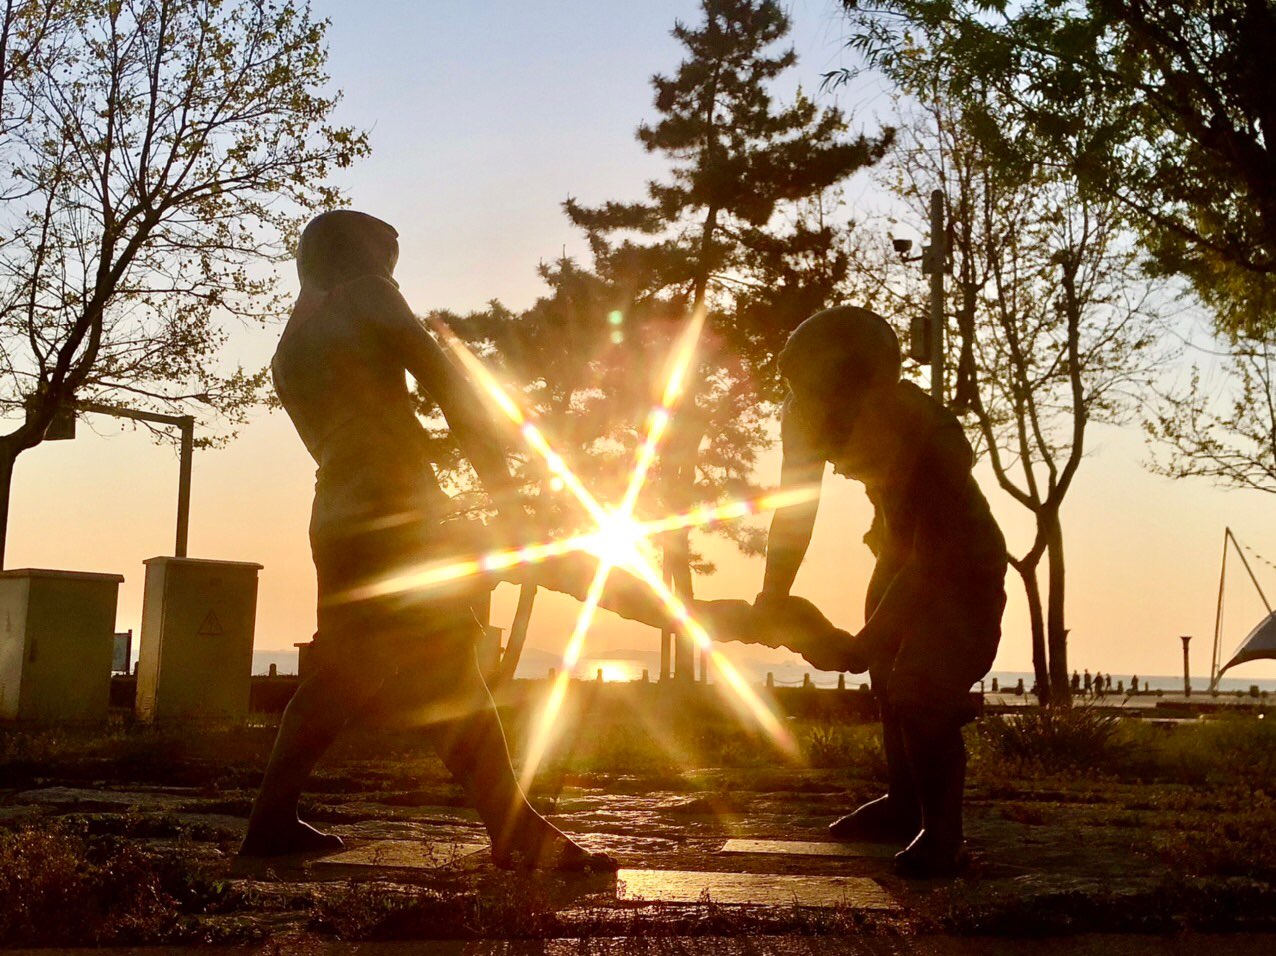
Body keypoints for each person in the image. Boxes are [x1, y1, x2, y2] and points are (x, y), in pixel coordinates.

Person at [240, 210, 613, 870]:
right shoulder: (366, 293)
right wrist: (507, 500)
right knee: (446, 665)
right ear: (357, 252)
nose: (393, 270)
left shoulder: (290, 346)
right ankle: (515, 831)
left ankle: (271, 821)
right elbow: (450, 388)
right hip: (396, 511)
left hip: (336, 517)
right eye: (387, 254)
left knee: (340, 672)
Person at [756, 305, 1007, 878]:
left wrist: (867, 640)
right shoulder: (802, 413)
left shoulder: (932, 434)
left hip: (961, 562)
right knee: (888, 683)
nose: (809, 409)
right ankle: (903, 803)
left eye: (821, 392)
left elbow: (930, 562)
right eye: (799, 391)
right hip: (895, 551)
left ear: (868, 385)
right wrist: (773, 597)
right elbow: (795, 510)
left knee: (921, 687)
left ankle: (945, 837)